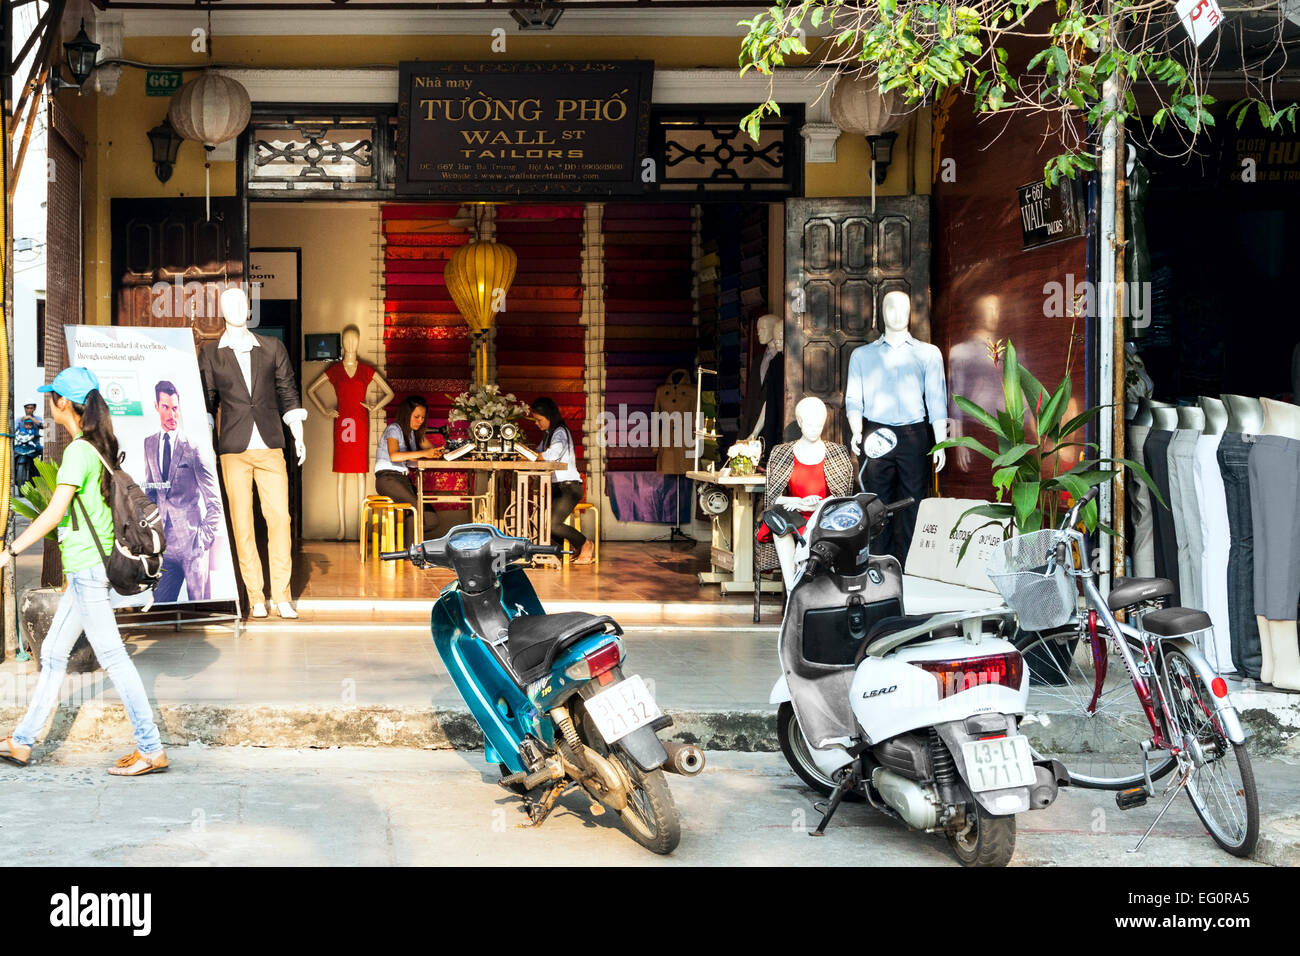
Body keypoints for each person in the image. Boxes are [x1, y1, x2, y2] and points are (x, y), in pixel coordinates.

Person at [0, 367, 168, 776]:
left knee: (113, 658)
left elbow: (55, 512)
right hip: (83, 571)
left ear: (66, 404)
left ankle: (150, 748)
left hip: (89, 571)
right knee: (55, 654)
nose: (48, 402)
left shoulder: (78, 452)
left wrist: (11, 550)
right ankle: (22, 741)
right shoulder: (95, 445)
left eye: (52, 396)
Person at [144, 380, 223, 602]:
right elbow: (151, 489)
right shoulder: (149, 444)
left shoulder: (193, 447)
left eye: (175, 407)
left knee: (199, 609)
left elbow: (214, 502)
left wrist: (203, 538)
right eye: (166, 407)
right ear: (156, 406)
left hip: (192, 544)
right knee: (160, 605)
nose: (172, 414)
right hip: (163, 545)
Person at [529, 397, 593, 565]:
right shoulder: (549, 434)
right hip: (557, 487)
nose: (537, 423)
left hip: (569, 488)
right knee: (539, 521)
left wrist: (531, 455)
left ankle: (585, 544)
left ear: (549, 416)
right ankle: (569, 548)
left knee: (553, 525)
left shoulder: (560, 433)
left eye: (539, 420)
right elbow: (538, 452)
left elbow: (550, 456)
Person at [374, 395, 441, 544]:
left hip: (403, 480)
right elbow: (394, 456)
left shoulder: (412, 434)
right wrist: (424, 453)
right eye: (416, 417)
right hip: (387, 479)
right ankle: (411, 552)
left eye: (423, 417)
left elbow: (429, 449)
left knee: (431, 519)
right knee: (415, 508)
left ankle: (399, 538)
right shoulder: (394, 429)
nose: (420, 421)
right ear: (407, 414)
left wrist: (438, 452)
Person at [13, 402, 43, 490]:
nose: (29, 410)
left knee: (44, 452)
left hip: (34, 445)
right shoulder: (19, 419)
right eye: (27, 408)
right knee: (9, 454)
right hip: (21, 444)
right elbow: (13, 430)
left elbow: (43, 426)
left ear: (34, 409)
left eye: (31, 408)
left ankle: (42, 474)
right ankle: (11, 474)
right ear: (24, 408)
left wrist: (31, 418)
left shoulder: (38, 419)